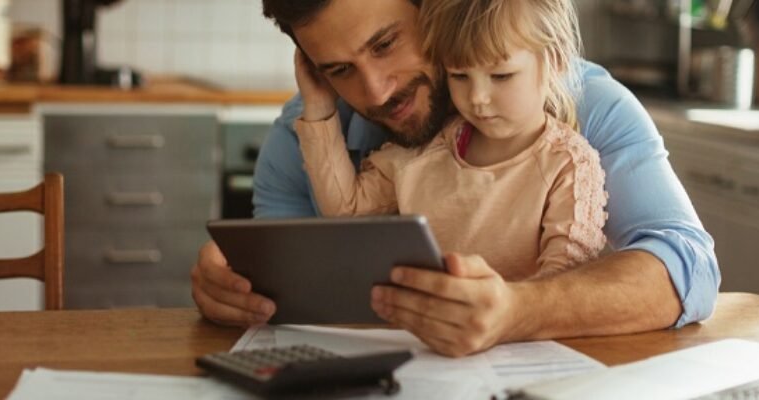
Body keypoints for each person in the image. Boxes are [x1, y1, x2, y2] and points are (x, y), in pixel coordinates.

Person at [191, 0, 720, 357]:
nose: (376, 92)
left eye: (385, 44)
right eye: (338, 69)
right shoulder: (303, 132)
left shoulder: (582, 105)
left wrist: (519, 310)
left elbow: (687, 266)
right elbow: (281, 294)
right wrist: (233, 288)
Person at [292, 0, 607, 282]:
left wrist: (499, 314)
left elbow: (563, 280)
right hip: (425, 335)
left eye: (501, 76)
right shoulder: (425, 151)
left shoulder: (567, 164)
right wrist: (319, 107)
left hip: (520, 342)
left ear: (554, 60)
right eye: (460, 76)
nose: (478, 98)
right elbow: (347, 211)